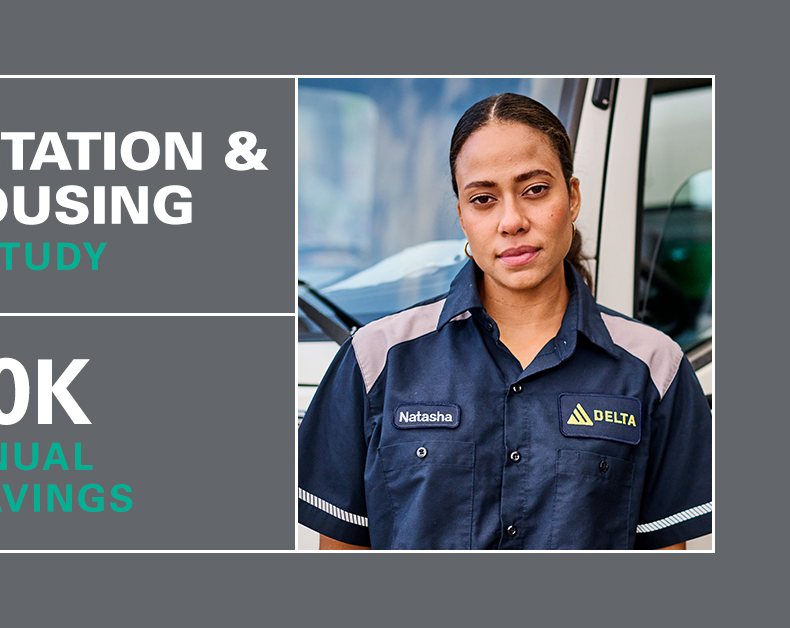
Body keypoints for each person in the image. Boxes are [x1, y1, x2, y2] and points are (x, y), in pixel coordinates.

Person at [296, 93, 712, 550]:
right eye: (483, 199)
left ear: (572, 198)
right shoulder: (374, 361)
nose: (511, 221)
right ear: (462, 217)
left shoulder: (656, 368)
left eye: (535, 189)